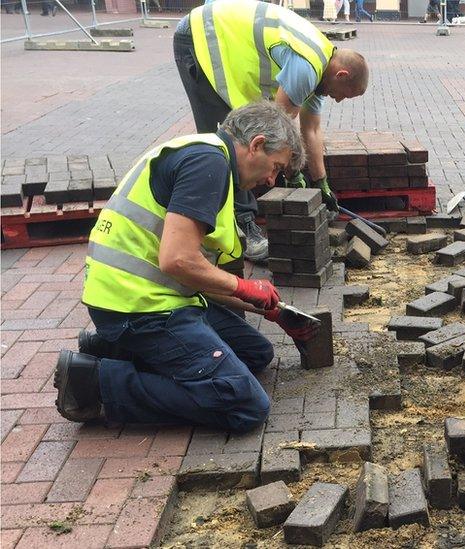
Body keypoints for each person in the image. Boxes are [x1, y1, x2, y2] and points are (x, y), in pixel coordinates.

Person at [55, 102, 319, 432]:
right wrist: (245, 287)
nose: (270, 179)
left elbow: (199, 276)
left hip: (158, 296)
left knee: (256, 353)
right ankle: (97, 383)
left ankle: (110, 348)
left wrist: (274, 310)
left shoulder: (208, 158)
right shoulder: (207, 163)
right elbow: (177, 260)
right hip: (137, 307)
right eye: (275, 166)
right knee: (244, 404)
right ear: (257, 144)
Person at [172, 0, 369, 261]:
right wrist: (292, 171)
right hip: (201, 39)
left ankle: (236, 216)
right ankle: (241, 227)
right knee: (230, 145)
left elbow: (311, 129)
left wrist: (321, 183)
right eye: (345, 95)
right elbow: (276, 128)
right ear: (341, 75)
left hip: (219, 38)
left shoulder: (321, 69)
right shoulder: (307, 67)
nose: (339, 100)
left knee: (249, 142)